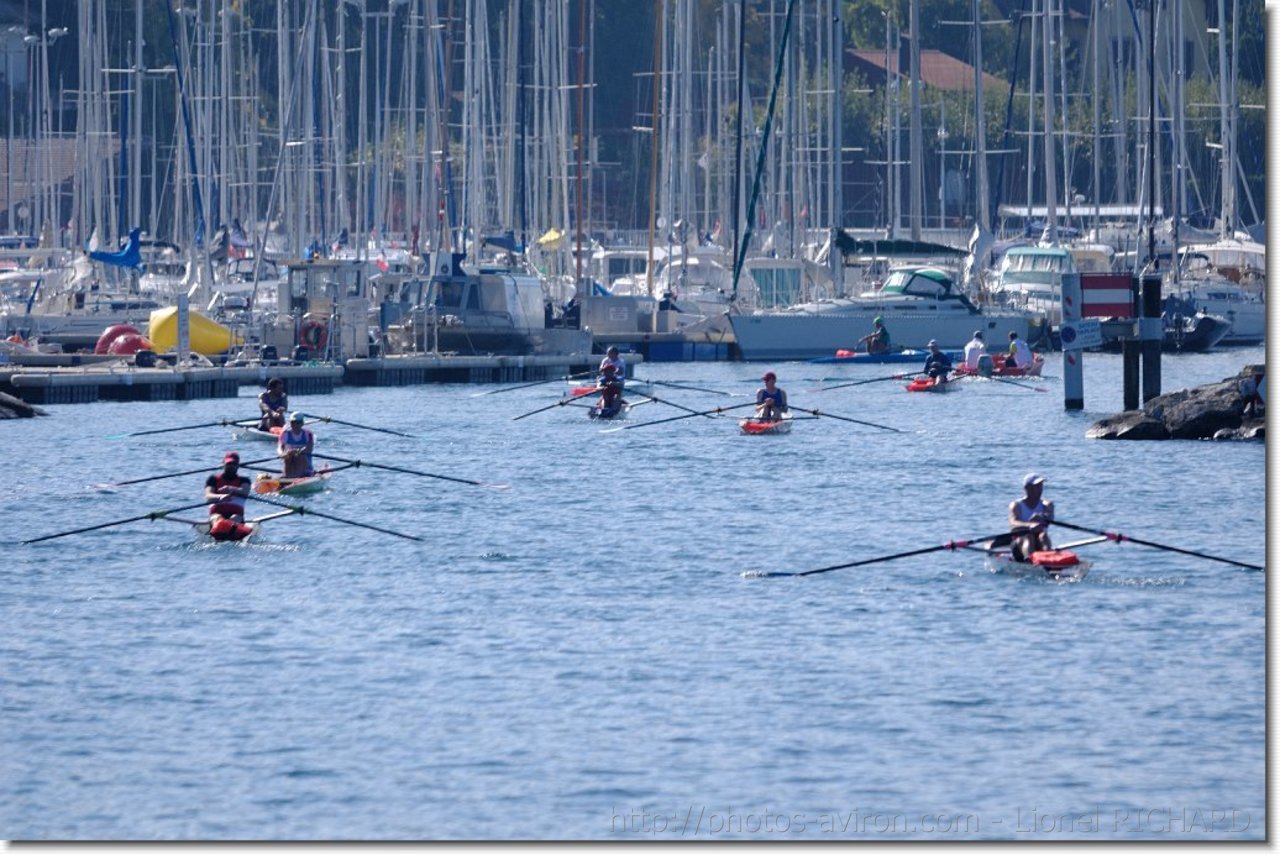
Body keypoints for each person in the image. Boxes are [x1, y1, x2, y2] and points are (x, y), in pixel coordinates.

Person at [1008, 473, 1054, 561]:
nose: (1040, 489)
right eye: (1036, 486)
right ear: (1027, 488)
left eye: (1041, 486)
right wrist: (1029, 525)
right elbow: (1013, 522)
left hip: (1040, 540)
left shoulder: (1047, 504)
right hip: (1019, 541)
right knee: (1028, 537)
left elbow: (1050, 518)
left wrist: (1043, 517)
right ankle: (1029, 560)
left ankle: (1049, 561)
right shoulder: (1016, 505)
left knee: (1043, 535)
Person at [204, 451, 251, 524]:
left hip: (237, 514)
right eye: (228, 464)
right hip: (216, 513)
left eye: (234, 464)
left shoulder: (244, 480)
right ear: (223, 464)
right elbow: (208, 495)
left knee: (234, 518)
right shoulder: (213, 479)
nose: (231, 466)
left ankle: (230, 528)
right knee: (217, 518)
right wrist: (220, 496)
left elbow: (245, 492)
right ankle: (220, 527)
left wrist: (230, 489)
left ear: (238, 465)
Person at [277, 412, 315, 478]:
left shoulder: (308, 434)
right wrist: (282, 454)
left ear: (302, 423)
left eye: (298, 422)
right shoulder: (285, 434)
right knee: (288, 456)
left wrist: (297, 451)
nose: (295, 425)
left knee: (298, 455)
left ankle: (297, 476)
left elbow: (309, 449)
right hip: (290, 462)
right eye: (293, 422)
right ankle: (287, 475)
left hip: (305, 465)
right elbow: (279, 448)